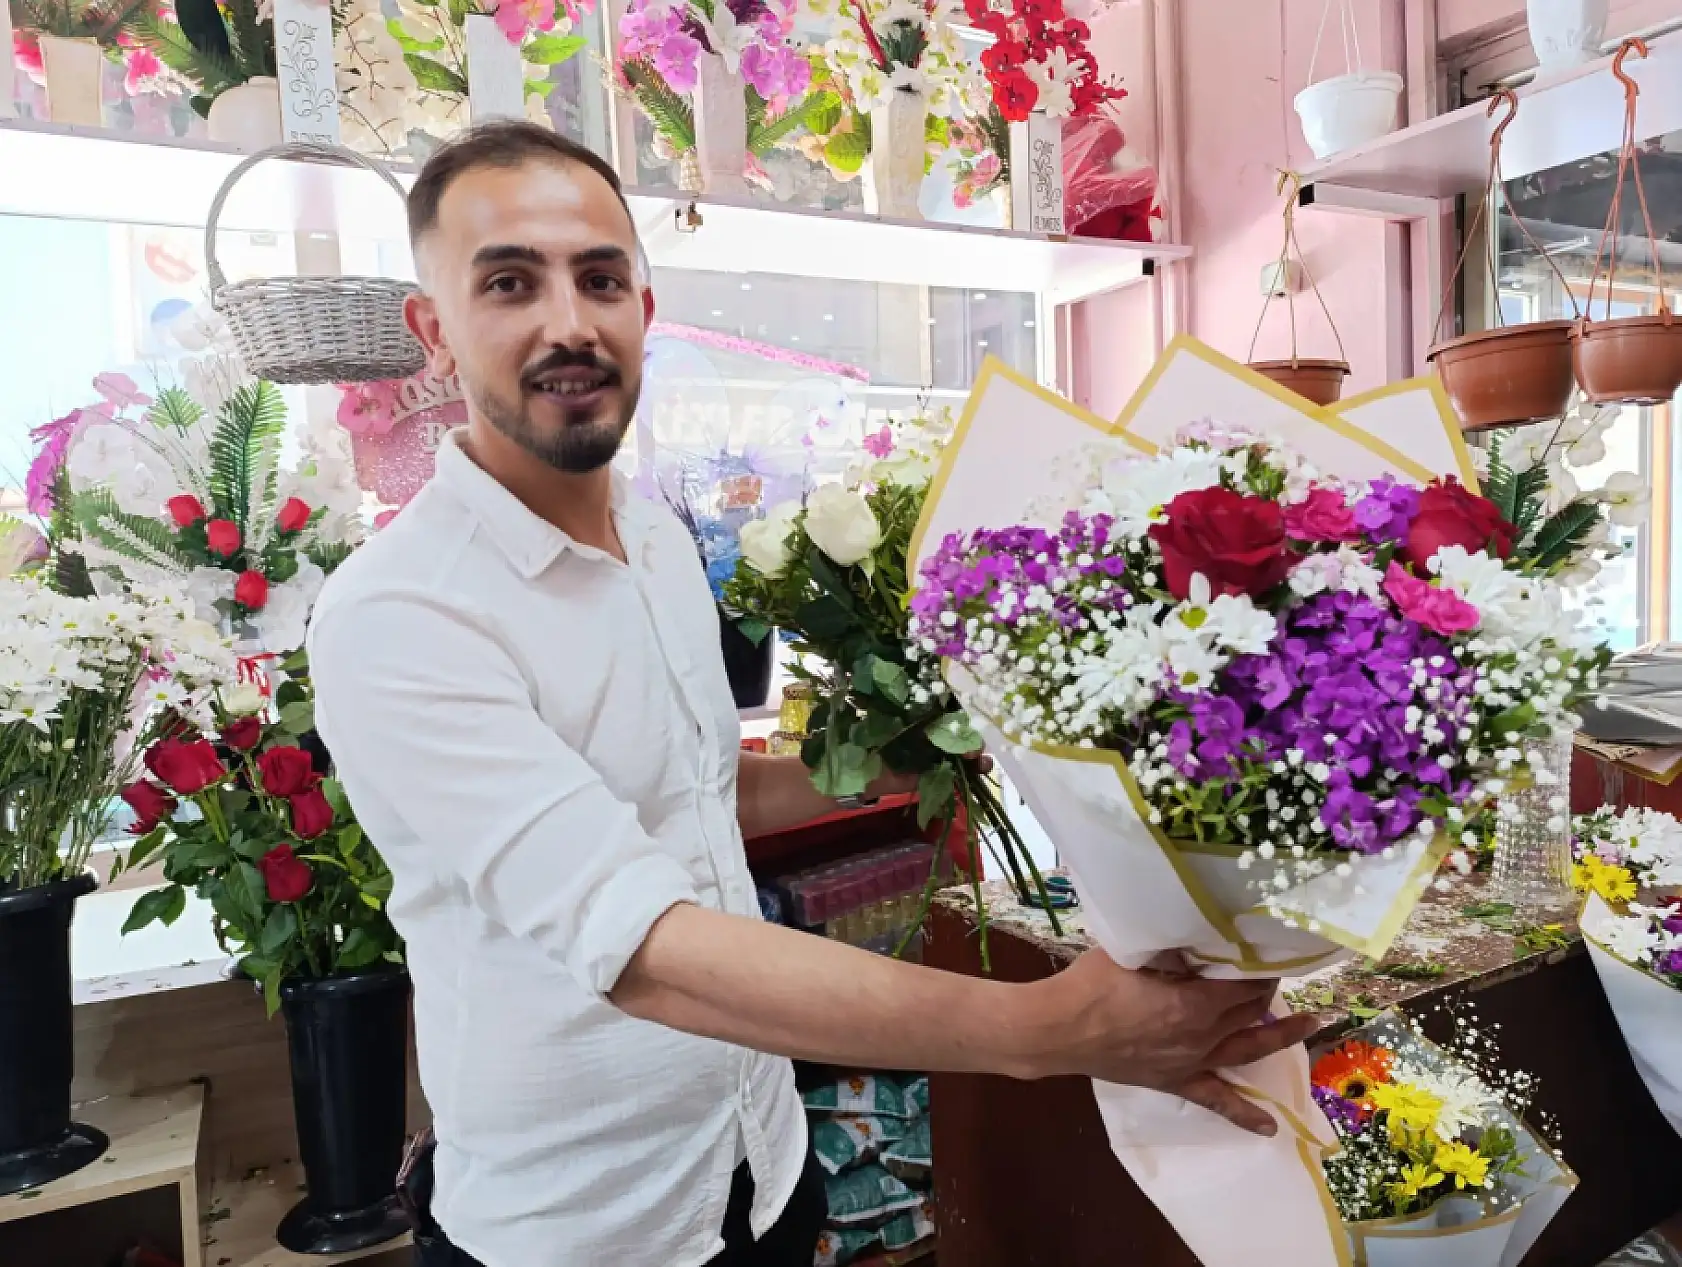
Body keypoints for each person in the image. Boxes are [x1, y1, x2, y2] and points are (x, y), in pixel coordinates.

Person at [307, 121, 1320, 1267]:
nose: (567, 324)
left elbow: (692, 799)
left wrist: (926, 753)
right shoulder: (400, 615)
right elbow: (638, 941)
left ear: (644, 304)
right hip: (580, 1228)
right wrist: (1050, 1030)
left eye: (598, 278)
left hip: (761, 1164)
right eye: (508, 283)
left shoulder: (650, 537)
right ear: (433, 333)